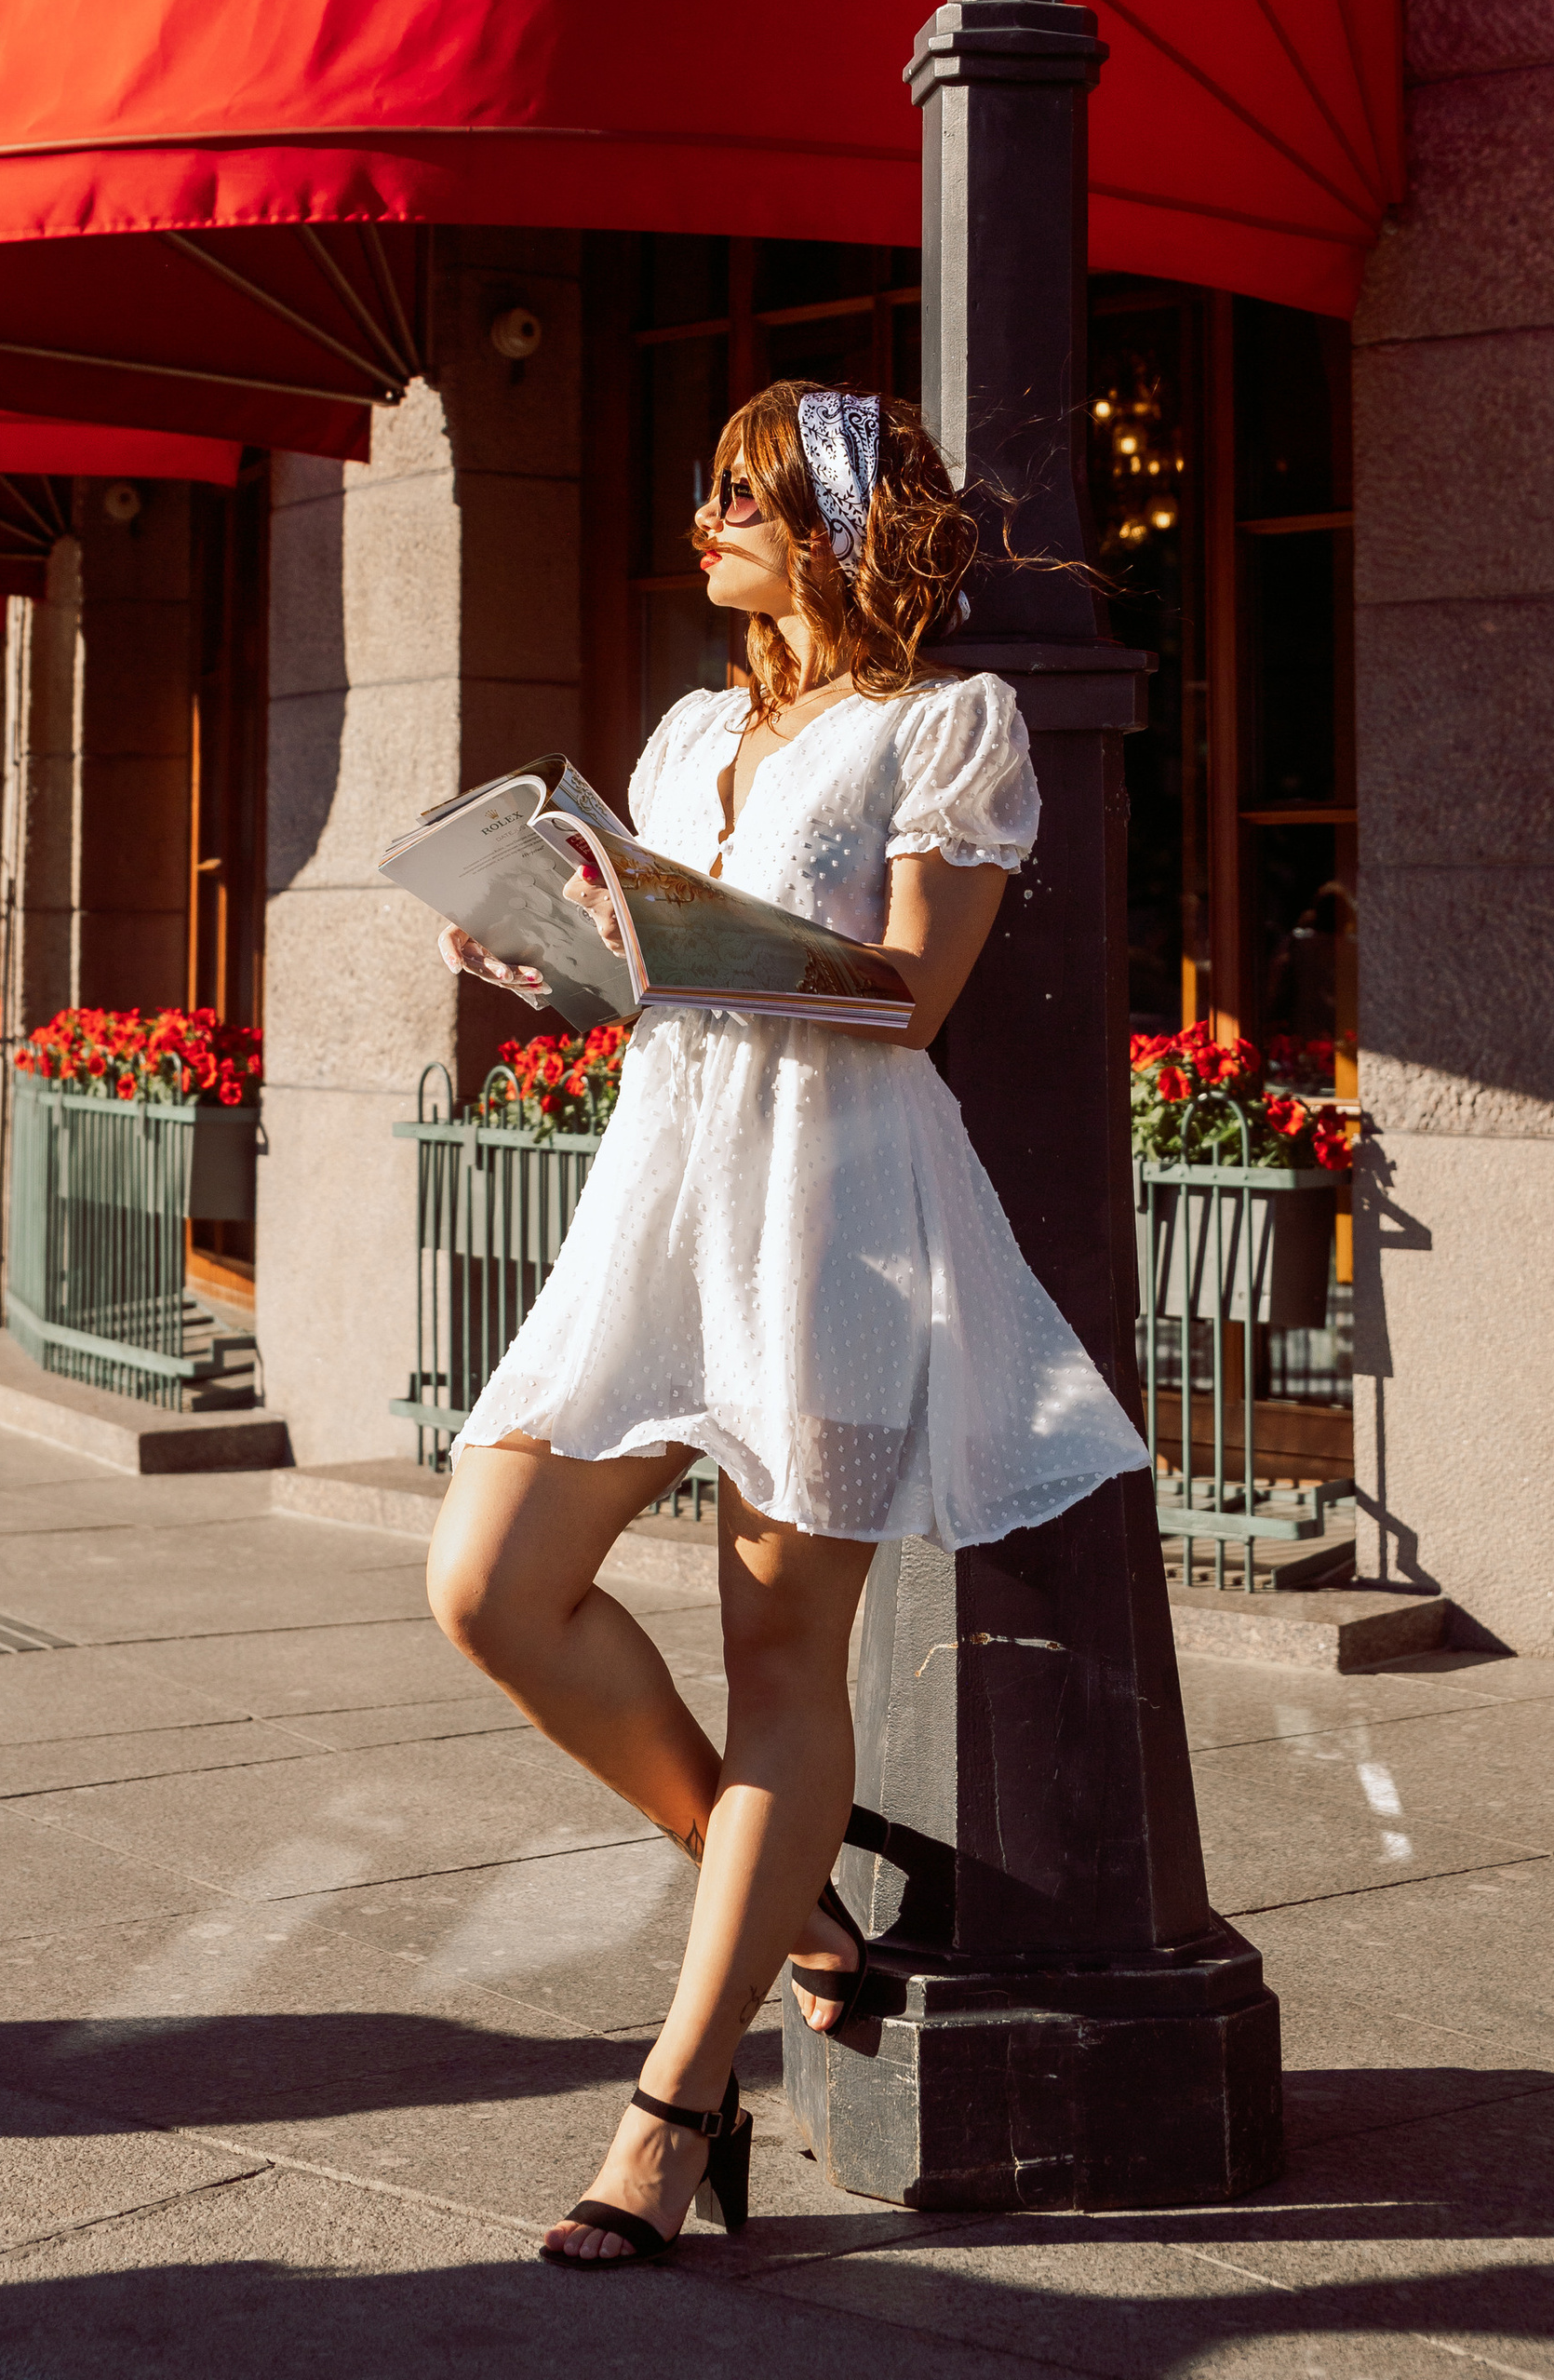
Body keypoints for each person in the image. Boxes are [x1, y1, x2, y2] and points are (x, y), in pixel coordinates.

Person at [423, 382, 1151, 2270]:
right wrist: (546, 955)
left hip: (828, 1210)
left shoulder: (945, 726)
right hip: (666, 1184)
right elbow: (649, 983)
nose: (705, 522)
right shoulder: (685, 732)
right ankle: (799, 1917)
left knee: (778, 1659)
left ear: (837, 519)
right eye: (701, 485)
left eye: (741, 492)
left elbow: (908, 995)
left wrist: (681, 944)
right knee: (487, 1582)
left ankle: (671, 2107)